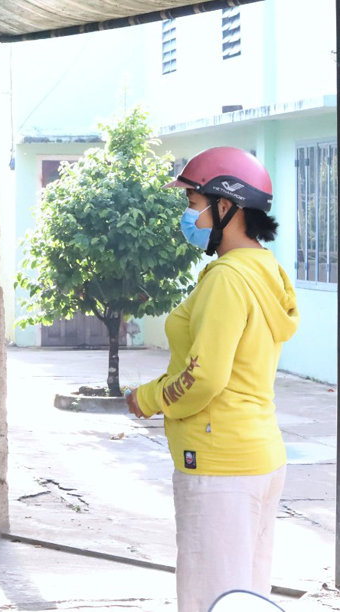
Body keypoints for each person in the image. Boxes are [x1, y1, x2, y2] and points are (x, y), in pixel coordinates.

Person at [126, 147, 299, 612]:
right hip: (259, 453)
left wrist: (147, 397)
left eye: (192, 202)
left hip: (220, 460)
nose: (188, 214)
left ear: (226, 207)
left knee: (211, 601)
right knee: (245, 598)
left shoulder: (227, 278)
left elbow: (204, 378)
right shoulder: (265, 269)